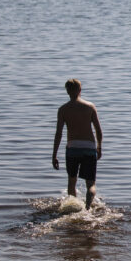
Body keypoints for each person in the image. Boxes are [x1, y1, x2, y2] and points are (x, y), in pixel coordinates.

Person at [52, 79, 103, 209]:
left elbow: (59, 133)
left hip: (72, 148)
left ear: (67, 91)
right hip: (89, 148)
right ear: (80, 90)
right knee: (90, 184)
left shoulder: (63, 109)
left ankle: (72, 208)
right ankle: (87, 209)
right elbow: (98, 130)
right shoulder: (90, 107)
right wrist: (99, 147)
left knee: (71, 182)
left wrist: (54, 155)